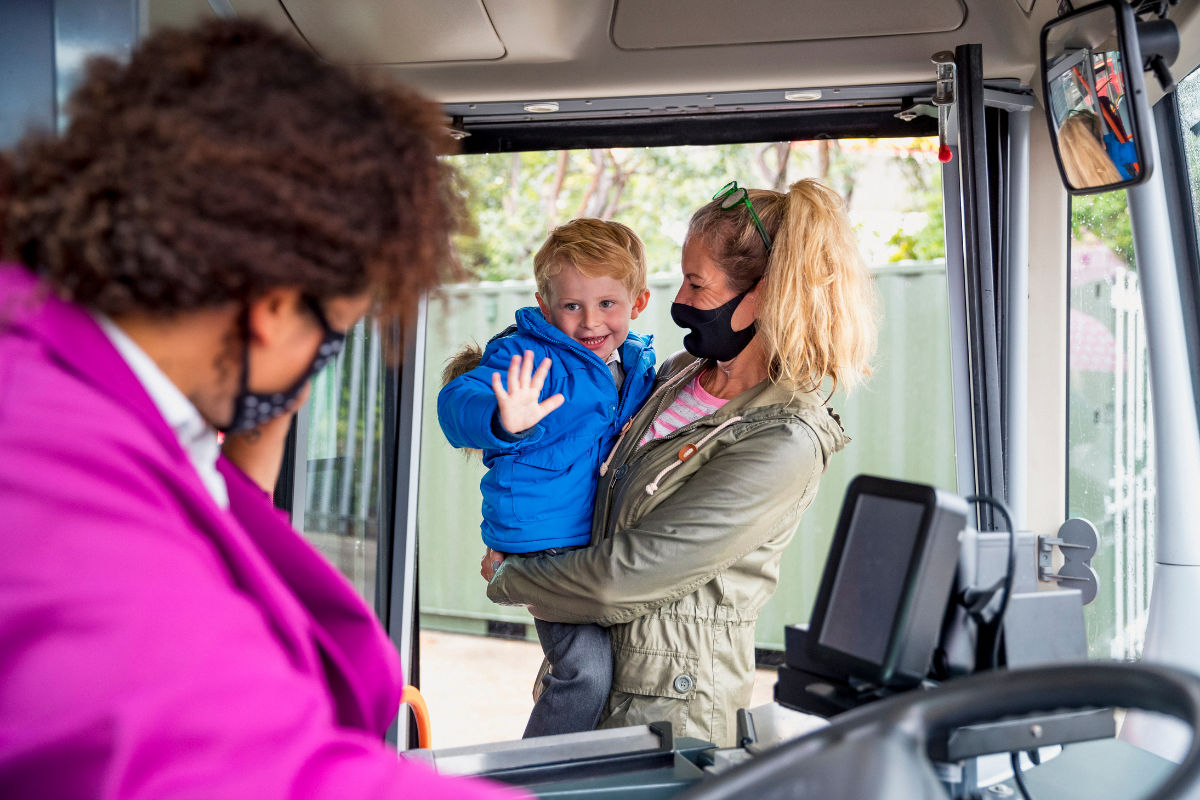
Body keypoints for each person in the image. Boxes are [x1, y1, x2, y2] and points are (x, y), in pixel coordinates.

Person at [0, 20, 517, 799]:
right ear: (275, 309)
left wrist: (248, 457)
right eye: (331, 339)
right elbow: (239, 771)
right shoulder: (36, 443)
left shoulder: (86, 384)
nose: (309, 380)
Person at [483, 179, 878, 747]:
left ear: (765, 294)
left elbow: (624, 579)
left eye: (698, 283)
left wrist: (509, 575)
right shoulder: (677, 375)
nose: (681, 301)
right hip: (592, 679)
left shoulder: (783, 439)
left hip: (671, 715)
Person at [438, 219, 656, 738]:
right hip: (545, 541)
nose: (590, 322)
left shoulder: (639, 364)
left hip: (597, 537)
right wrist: (499, 416)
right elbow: (456, 403)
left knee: (612, 667)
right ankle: (535, 777)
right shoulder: (530, 358)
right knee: (585, 673)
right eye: (572, 306)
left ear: (638, 301)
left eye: (607, 304)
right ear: (543, 304)